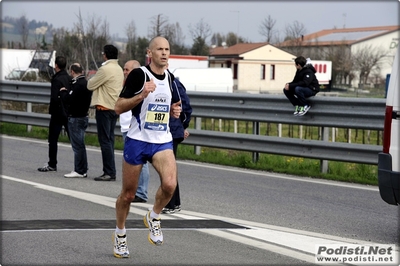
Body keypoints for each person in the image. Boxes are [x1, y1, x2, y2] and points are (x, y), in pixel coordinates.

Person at [112, 36, 181, 258]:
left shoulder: (171, 78)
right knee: (129, 195)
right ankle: (120, 235)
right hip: (137, 139)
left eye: (167, 49)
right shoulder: (139, 75)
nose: (164, 52)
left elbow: (174, 104)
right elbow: (118, 107)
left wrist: (175, 112)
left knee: (170, 185)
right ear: (149, 53)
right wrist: (142, 95)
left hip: (161, 140)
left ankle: (153, 216)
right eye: (159, 49)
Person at [87, 44, 124, 181]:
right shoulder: (119, 69)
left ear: (105, 55)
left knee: (105, 141)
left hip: (104, 107)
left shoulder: (105, 69)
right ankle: (111, 171)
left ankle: (109, 172)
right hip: (114, 108)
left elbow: (90, 85)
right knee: (110, 140)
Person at [120, 59, 150, 203]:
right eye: (124, 69)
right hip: (126, 126)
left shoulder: (139, 84)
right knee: (131, 161)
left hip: (134, 128)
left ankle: (141, 192)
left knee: (140, 161)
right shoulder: (126, 84)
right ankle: (133, 190)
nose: (125, 72)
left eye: (127, 69)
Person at [161, 76, 192, 214]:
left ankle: (172, 204)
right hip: (161, 131)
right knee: (167, 167)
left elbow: (184, 106)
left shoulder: (172, 82)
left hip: (172, 131)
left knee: (168, 167)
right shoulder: (154, 80)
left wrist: (182, 125)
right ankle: (173, 202)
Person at [38, 55, 71, 172]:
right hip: (68, 112)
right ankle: (81, 166)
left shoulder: (56, 79)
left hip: (57, 113)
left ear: (56, 65)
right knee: (74, 140)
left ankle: (52, 164)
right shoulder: (69, 78)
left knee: (53, 139)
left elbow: (54, 98)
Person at [59, 63, 92, 178]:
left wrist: (63, 92)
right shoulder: (86, 83)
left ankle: (79, 169)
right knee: (81, 145)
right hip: (84, 116)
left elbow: (69, 99)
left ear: (72, 71)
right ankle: (83, 169)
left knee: (77, 146)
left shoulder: (78, 84)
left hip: (76, 117)